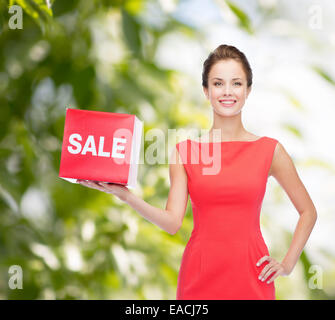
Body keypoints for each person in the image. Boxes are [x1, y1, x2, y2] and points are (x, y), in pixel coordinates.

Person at [77, 44, 317, 300]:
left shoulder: (270, 150)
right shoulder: (185, 152)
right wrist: (127, 196)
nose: (227, 92)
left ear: (248, 90)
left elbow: (308, 211)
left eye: (236, 83)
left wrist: (287, 264)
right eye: (218, 83)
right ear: (206, 91)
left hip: (252, 277)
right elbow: (172, 222)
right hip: (199, 279)